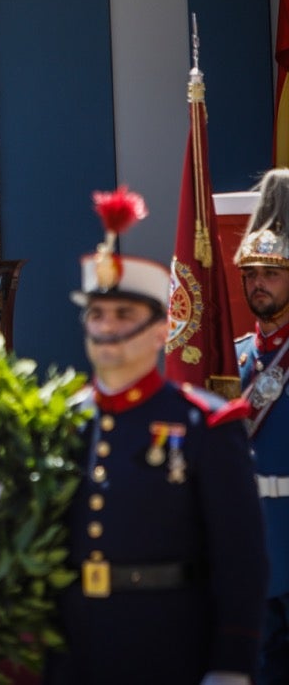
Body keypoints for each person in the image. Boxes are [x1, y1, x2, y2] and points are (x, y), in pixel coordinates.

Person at [48, 186, 265, 685]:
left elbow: (241, 559)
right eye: (97, 315)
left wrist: (231, 666)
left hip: (169, 648)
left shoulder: (206, 425)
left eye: (124, 316)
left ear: (159, 330)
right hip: (75, 653)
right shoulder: (61, 423)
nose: (107, 328)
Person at [232, 168, 289, 685]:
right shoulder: (234, 360)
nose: (257, 283)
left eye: (270, 273)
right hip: (257, 545)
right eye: (250, 273)